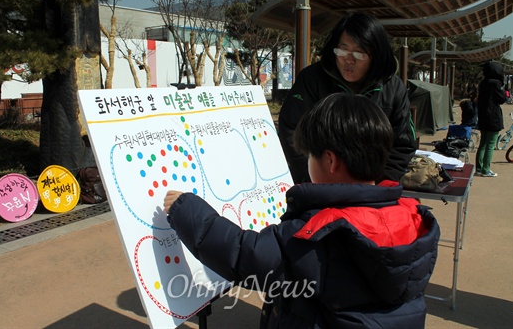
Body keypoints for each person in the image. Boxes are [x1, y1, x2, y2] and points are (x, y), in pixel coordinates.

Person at [164, 93, 440, 328]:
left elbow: (243, 254)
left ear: (330, 160)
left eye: (310, 155)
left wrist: (186, 210)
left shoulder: (323, 233)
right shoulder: (410, 215)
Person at [278, 11, 416, 184]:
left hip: (371, 188)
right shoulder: (312, 79)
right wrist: (315, 180)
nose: (349, 60)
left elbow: (404, 144)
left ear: (376, 56)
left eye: (359, 54)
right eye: (342, 51)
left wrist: (381, 185)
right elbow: (291, 131)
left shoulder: (393, 88)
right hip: (319, 185)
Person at [475, 62, 507, 177]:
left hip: (483, 116)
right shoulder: (496, 83)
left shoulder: (483, 83)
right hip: (493, 117)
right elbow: (501, 99)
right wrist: (504, 91)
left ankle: (479, 168)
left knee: (483, 143)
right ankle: (486, 169)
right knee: (490, 144)